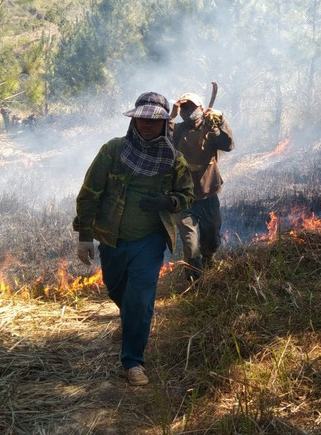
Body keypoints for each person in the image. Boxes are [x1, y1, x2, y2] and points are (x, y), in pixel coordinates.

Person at [73, 92, 194, 386]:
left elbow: (187, 195)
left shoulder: (174, 160)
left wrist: (167, 202)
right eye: (142, 118)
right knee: (118, 292)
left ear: (165, 123)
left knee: (140, 299)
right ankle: (129, 323)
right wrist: (85, 236)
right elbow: (90, 193)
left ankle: (133, 362)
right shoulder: (113, 151)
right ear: (134, 120)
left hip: (150, 241)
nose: (147, 125)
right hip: (112, 240)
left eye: (155, 120)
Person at [171, 92, 235, 282]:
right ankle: (194, 282)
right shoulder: (177, 130)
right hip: (184, 197)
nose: (188, 111)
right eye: (184, 108)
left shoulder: (211, 128)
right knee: (191, 245)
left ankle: (209, 262)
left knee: (212, 238)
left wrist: (221, 119)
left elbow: (228, 145)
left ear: (201, 109)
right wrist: (171, 116)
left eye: (192, 107)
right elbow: (161, 141)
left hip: (208, 193)